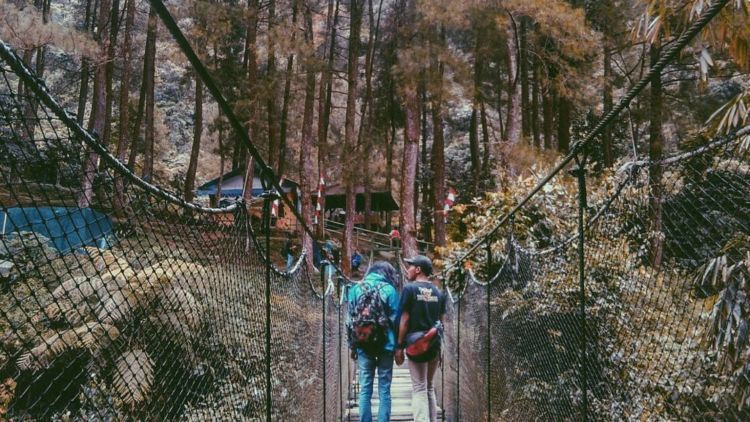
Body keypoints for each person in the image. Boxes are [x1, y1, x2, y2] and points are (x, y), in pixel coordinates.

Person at [347, 261, 400, 422]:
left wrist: (352, 346)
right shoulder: (390, 290)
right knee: (384, 389)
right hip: (386, 345)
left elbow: (350, 321)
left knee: (365, 389)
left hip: (363, 344)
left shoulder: (356, 289)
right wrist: (398, 347)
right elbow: (396, 321)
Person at [395, 255, 446, 422]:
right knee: (429, 388)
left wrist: (399, 346)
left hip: (416, 345)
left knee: (419, 388)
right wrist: (441, 347)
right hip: (434, 344)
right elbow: (441, 322)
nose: (407, 269)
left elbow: (405, 320)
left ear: (418, 270)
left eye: (410, 266)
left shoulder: (410, 290)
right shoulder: (439, 292)